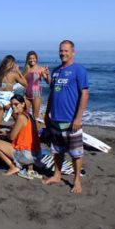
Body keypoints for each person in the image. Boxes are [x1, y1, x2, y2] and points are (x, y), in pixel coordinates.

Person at [43, 40, 89, 194]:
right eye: (61, 50)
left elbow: (84, 94)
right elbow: (53, 92)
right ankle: (57, 175)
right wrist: (47, 113)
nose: (63, 53)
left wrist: (78, 118)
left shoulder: (78, 70)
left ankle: (77, 180)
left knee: (76, 153)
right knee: (57, 151)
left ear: (73, 52)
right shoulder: (56, 71)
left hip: (71, 121)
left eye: (66, 50)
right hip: (55, 119)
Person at [0, 94, 42, 178]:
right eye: (12, 104)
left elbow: (11, 137)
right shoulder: (29, 116)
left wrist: (5, 134)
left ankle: (12, 167)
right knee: (26, 142)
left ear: (23, 104)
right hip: (36, 154)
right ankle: (30, 169)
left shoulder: (21, 117)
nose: (13, 107)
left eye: (16, 104)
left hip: (26, 155)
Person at [0, 55, 27, 138]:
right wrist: (18, 71)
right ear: (12, 64)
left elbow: (1, 86)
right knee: (19, 119)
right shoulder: (13, 74)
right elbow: (25, 83)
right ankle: (19, 137)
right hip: (7, 100)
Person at [23, 51, 50, 123]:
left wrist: (47, 74)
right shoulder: (26, 69)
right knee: (25, 114)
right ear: (28, 60)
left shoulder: (40, 69)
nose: (32, 60)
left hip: (36, 92)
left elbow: (48, 82)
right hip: (26, 93)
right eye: (30, 58)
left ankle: (35, 133)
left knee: (36, 117)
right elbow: (22, 81)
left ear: (36, 59)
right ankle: (27, 131)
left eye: (33, 58)